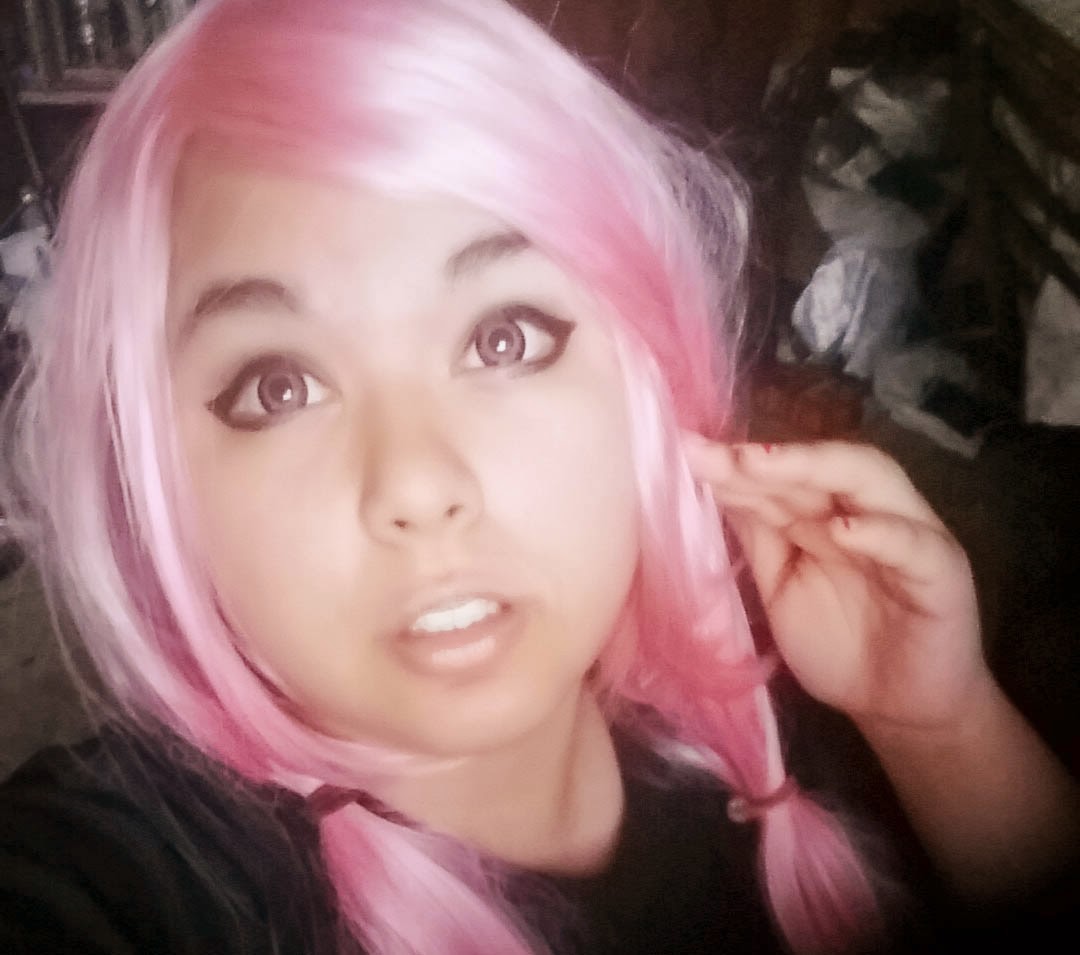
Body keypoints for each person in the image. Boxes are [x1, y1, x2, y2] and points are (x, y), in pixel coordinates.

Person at [0, 0, 1076, 952]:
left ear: (641, 369)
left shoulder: (789, 648)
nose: (417, 483)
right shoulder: (138, 878)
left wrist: (935, 725)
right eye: (277, 387)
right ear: (156, 477)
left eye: (504, 337)